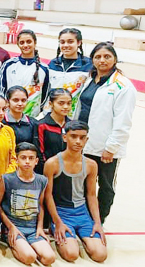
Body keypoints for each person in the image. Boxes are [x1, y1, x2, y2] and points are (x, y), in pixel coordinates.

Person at [74, 42, 135, 223]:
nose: (102, 60)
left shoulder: (123, 86)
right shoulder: (89, 80)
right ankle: (85, 217)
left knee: (105, 186)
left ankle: (99, 220)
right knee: (84, 184)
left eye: (107, 56)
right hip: (83, 144)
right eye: (98, 57)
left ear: (115, 59)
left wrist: (111, 148)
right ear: (92, 59)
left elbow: (123, 122)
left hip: (105, 148)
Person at [44, 121, 107, 263]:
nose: (78, 141)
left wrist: (97, 222)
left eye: (82, 137)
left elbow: (91, 195)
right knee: (71, 254)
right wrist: (57, 221)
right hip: (62, 213)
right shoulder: (52, 163)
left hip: (82, 214)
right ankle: (64, 235)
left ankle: (84, 238)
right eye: (73, 136)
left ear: (87, 139)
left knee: (100, 255)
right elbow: (48, 195)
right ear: (65, 137)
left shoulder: (91, 165)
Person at [0, 143, 56, 266]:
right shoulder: (6, 179)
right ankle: (12, 243)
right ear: (16, 159)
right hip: (14, 227)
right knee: (30, 257)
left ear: (36, 161)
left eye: (31, 158)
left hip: (33, 229)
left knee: (49, 258)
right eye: (23, 158)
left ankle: (29, 244)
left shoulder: (42, 180)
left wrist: (40, 227)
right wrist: (10, 227)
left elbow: (40, 206)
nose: (27, 162)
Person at [0, 30, 49, 117]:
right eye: (22, 42)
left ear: (35, 43)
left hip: (32, 117)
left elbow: (45, 94)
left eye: (28, 42)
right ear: (18, 44)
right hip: (10, 115)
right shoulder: (9, 65)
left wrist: (36, 109)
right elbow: (0, 89)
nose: (25, 45)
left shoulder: (44, 69)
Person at [48, 28, 92, 106]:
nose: (66, 45)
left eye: (70, 42)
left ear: (79, 42)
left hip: (75, 114)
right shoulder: (53, 64)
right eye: (62, 42)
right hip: (53, 112)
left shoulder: (88, 65)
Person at [36, 88, 71, 173]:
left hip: (69, 170)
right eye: (61, 103)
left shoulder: (72, 125)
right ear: (51, 104)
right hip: (47, 171)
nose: (66, 107)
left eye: (69, 103)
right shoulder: (42, 125)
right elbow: (39, 152)